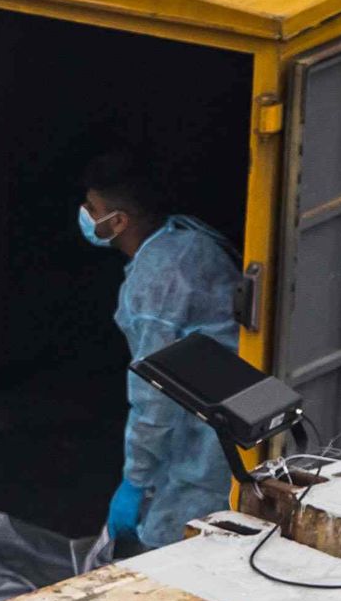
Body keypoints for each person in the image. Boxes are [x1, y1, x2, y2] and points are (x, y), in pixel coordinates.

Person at [79, 151, 245, 552]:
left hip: (206, 435)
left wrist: (135, 480)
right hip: (232, 406)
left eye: (92, 209)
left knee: (177, 545)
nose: (84, 213)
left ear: (117, 221)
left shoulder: (154, 285)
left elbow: (154, 394)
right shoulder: (188, 240)